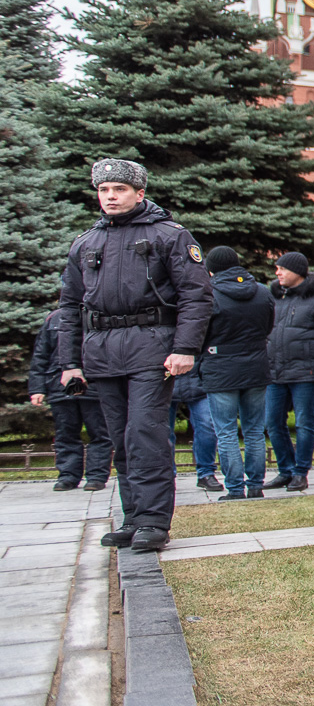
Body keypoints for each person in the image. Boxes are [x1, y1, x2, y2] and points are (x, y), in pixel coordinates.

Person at [56, 159, 214, 552]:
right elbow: (70, 304)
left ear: (139, 193)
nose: (110, 196)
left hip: (152, 349)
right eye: (104, 190)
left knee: (145, 432)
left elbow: (197, 295)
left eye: (119, 189)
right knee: (120, 438)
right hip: (101, 352)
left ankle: (154, 522)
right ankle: (133, 517)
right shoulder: (85, 242)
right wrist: (70, 362)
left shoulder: (170, 235)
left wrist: (184, 348)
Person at [199, 246, 273, 501]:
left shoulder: (209, 294)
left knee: (226, 431)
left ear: (211, 269)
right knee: (254, 430)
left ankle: (234, 488)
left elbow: (200, 333)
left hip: (220, 368)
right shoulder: (263, 293)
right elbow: (268, 326)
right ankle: (255, 486)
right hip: (256, 365)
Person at [264, 251, 314, 492]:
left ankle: (300, 472)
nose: (277, 273)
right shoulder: (276, 298)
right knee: (273, 422)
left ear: (297, 272)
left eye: (282, 269)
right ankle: (285, 470)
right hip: (275, 373)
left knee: (305, 423)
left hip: (305, 373)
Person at [27, 305, 109, 492]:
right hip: (60, 385)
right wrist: (37, 388)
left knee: (99, 433)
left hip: (94, 384)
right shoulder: (53, 319)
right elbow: (41, 355)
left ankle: (96, 476)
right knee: (65, 434)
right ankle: (68, 476)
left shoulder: (99, 315)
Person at [171, 356, 222, 493]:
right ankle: (167, 476)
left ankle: (206, 474)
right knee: (162, 432)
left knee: (207, 426)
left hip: (198, 380)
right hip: (165, 380)